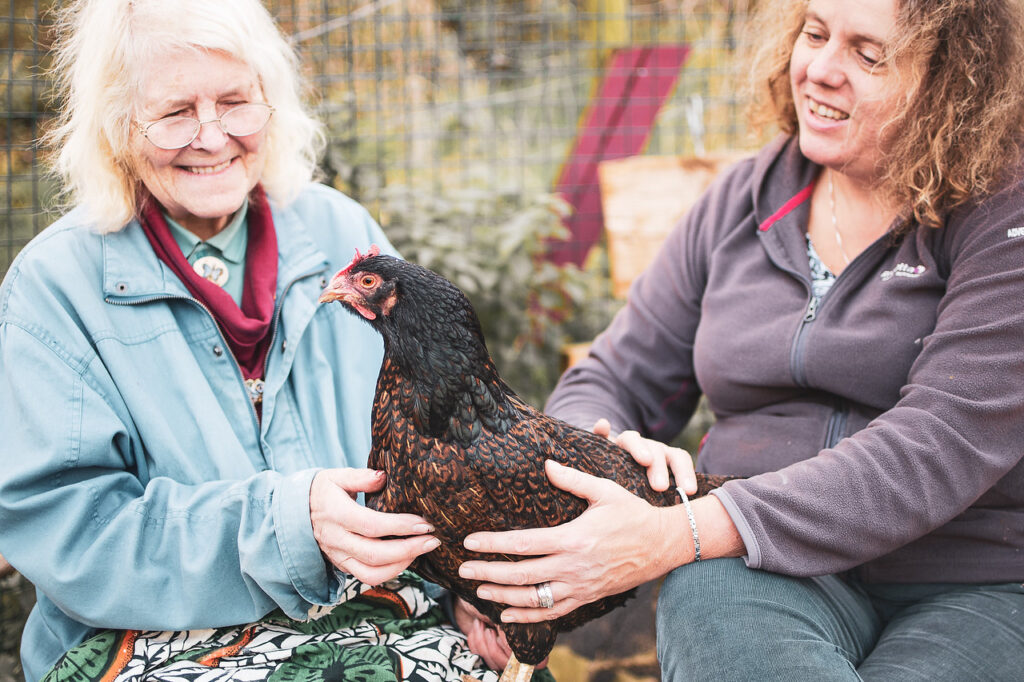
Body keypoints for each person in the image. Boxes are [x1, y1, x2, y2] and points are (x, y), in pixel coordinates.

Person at [456, 0, 1024, 679]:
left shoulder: (1003, 213)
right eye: (814, 35)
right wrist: (599, 449)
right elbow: (614, 378)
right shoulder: (745, 201)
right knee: (708, 598)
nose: (820, 70)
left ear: (955, 82)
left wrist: (683, 530)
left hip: (973, 581)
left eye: (868, 55)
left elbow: (941, 442)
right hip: (763, 569)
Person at [0, 0, 518, 679]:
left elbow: (439, 440)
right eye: (175, 112)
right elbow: (71, 530)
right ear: (117, 126)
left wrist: (469, 590)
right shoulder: (57, 283)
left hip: (379, 604)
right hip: (151, 638)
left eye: (236, 102)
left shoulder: (339, 232)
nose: (212, 137)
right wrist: (287, 525)